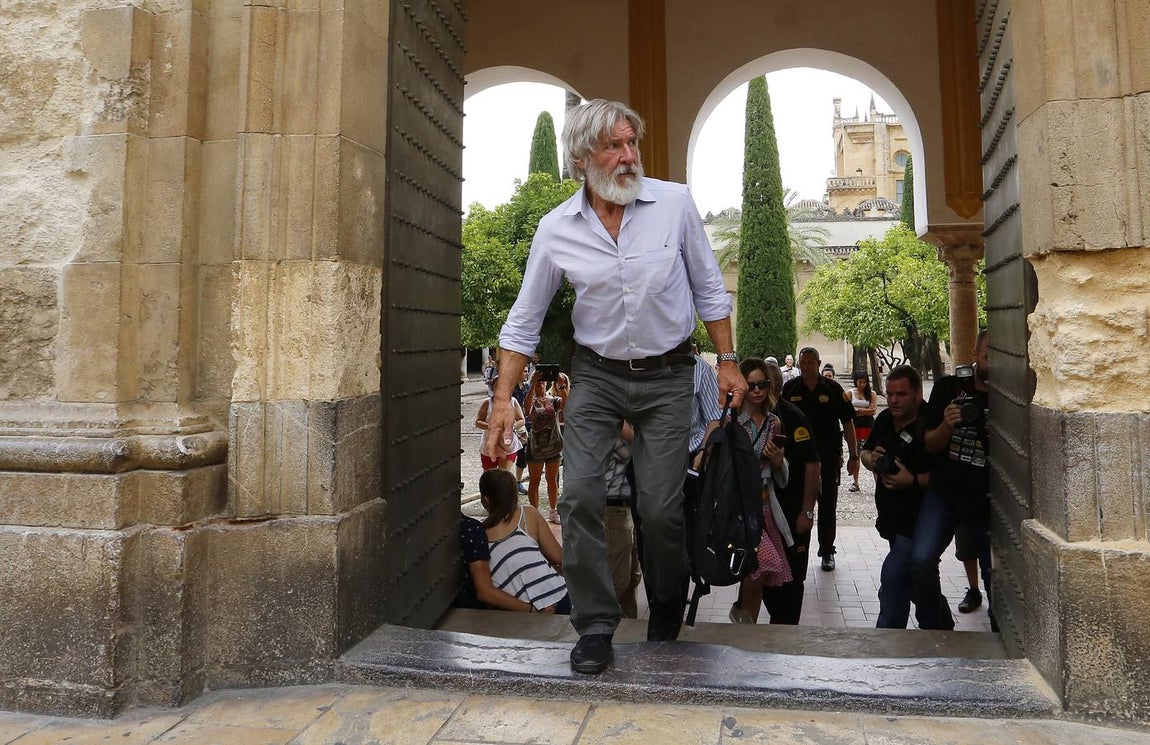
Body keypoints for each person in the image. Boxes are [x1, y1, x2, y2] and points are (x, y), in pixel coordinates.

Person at [484, 99, 744, 675]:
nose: (629, 157)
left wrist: (727, 361)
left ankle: (666, 612)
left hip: (671, 374)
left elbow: (708, 285)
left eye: (633, 143)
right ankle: (596, 624)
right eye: (614, 147)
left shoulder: (674, 204)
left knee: (661, 510)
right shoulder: (556, 230)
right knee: (577, 497)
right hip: (598, 377)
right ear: (582, 160)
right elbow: (525, 320)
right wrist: (503, 401)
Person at [859, 365, 939, 628]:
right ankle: (939, 627)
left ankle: (888, 640)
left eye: (901, 394)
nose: (893, 400)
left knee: (893, 578)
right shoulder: (884, 419)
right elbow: (866, 453)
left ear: (917, 394)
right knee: (918, 577)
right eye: (891, 394)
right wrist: (871, 459)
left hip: (922, 520)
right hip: (893, 520)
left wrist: (912, 480)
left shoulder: (933, 423)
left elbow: (946, 478)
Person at [923, 329, 993, 624]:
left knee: (996, 574)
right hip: (946, 493)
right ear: (975, 356)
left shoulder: (1012, 393)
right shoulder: (947, 388)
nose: (996, 362)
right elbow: (930, 444)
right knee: (921, 559)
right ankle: (939, 626)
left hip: (988, 498)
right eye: (989, 355)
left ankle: (1002, 636)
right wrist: (946, 425)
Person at [721, 358, 793, 623]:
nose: (757, 390)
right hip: (738, 503)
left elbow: (782, 471)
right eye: (750, 385)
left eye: (762, 384)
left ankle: (745, 619)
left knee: (757, 568)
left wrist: (777, 461)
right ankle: (743, 615)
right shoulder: (731, 421)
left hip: (764, 504)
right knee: (762, 562)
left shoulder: (774, 423)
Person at [781, 347, 859, 572]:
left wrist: (854, 456)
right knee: (796, 502)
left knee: (827, 506)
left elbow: (848, 424)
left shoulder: (833, 389)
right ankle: (794, 547)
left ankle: (827, 551)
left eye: (810, 362)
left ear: (818, 363)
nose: (806, 366)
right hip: (797, 460)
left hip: (827, 457)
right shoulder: (790, 388)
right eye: (802, 362)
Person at [755, 360, 821, 624]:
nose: (757, 391)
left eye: (763, 385)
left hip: (791, 510)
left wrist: (807, 511)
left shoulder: (792, 417)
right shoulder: (752, 418)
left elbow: (812, 466)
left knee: (791, 581)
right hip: (762, 513)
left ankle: (785, 630)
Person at [479, 469, 570, 614]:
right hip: (559, 595)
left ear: (486, 500)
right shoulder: (527, 514)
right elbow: (559, 557)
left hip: (521, 609)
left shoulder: (479, 534)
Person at [453, 513, 538, 612]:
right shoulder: (470, 528)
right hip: (471, 612)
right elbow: (485, 592)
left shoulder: (469, 528)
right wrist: (531, 610)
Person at [604, 422, 642, 618]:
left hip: (630, 505)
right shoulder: (614, 418)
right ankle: (602, 625)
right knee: (619, 579)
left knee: (633, 577)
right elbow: (637, 439)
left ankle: (630, 626)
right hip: (613, 506)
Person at [523, 370, 564, 523]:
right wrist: (532, 383)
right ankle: (535, 513)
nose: (541, 383)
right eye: (538, 382)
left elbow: (566, 404)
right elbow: (527, 410)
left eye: (542, 381)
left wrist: (562, 386)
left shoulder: (554, 400)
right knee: (534, 480)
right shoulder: (532, 400)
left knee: (552, 479)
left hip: (553, 444)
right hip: (536, 446)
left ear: (547, 383)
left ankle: (553, 511)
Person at [475, 388, 525, 473]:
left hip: (508, 445)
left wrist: (511, 427)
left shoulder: (513, 401)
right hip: (490, 445)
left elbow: (521, 419)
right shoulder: (487, 403)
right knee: (489, 475)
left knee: (504, 474)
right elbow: (478, 422)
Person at [848, 371, 878, 492]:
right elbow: (848, 410)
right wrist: (864, 410)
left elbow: (873, 410)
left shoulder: (871, 393)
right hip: (855, 426)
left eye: (864, 382)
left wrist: (857, 410)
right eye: (860, 382)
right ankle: (855, 482)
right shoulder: (850, 393)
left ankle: (877, 482)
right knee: (856, 454)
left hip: (868, 426)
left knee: (872, 453)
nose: (862, 385)